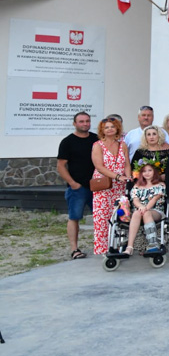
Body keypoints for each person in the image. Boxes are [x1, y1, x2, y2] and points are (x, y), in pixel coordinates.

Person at [57, 111, 99, 260]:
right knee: (74, 217)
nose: (85, 124)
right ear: (75, 123)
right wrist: (73, 183)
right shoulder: (67, 142)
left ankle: (104, 245)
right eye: (81, 121)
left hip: (97, 186)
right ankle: (74, 250)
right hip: (78, 188)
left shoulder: (96, 139)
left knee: (102, 216)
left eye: (87, 121)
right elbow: (61, 166)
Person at [90, 117, 131, 256]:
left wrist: (129, 178)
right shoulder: (97, 145)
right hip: (104, 186)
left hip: (120, 187)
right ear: (102, 130)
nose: (109, 129)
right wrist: (117, 176)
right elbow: (99, 167)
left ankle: (119, 245)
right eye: (106, 127)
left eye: (112, 127)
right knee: (102, 217)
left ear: (117, 129)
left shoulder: (122, 145)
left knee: (121, 216)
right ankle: (103, 249)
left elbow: (126, 164)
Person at [123, 160, 166, 256]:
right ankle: (129, 247)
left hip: (156, 210)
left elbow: (154, 199)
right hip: (139, 210)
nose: (147, 173)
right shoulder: (137, 186)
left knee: (146, 213)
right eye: (144, 171)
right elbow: (135, 200)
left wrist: (145, 208)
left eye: (150, 170)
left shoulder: (160, 185)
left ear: (154, 172)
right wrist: (141, 207)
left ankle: (153, 244)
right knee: (136, 213)